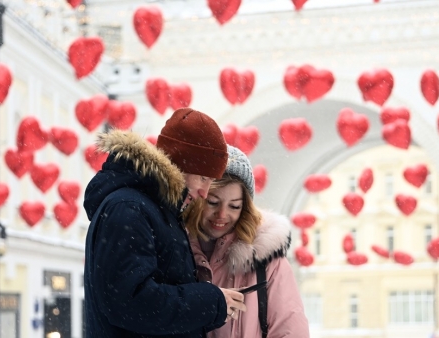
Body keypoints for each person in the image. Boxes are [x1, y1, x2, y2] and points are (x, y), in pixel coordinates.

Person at [83, 108, 247, 337]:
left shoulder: (154, 210)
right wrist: (210, 302)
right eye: (203, 178)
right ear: (180, 164)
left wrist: (212, 305)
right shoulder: (129, 209)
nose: (204, 192)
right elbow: (131, 303)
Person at [184, 146, 310, 338]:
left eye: (234, 206)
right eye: (213, 202)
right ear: (199, 197)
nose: (222, 215)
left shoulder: (266, 259)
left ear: (245, 208)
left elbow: (290, 330)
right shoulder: (175, 249)